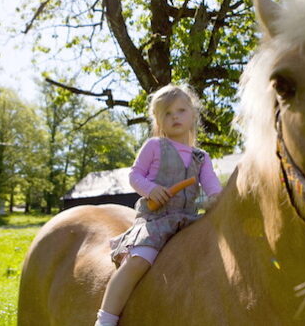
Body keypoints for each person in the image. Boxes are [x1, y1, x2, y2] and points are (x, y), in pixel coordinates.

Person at [95, 84, 223, 326]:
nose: (175, 116)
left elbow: (213, 188)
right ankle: (105, 319)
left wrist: (216, 200)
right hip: (156, 221)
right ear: (158, 120)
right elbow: (135, 176)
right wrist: (151, 189)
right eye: (167, 113)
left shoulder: (201, 157)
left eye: (181, 110)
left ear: (193, 114)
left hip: (188, 221)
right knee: (139, 261)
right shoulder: (154, 146)